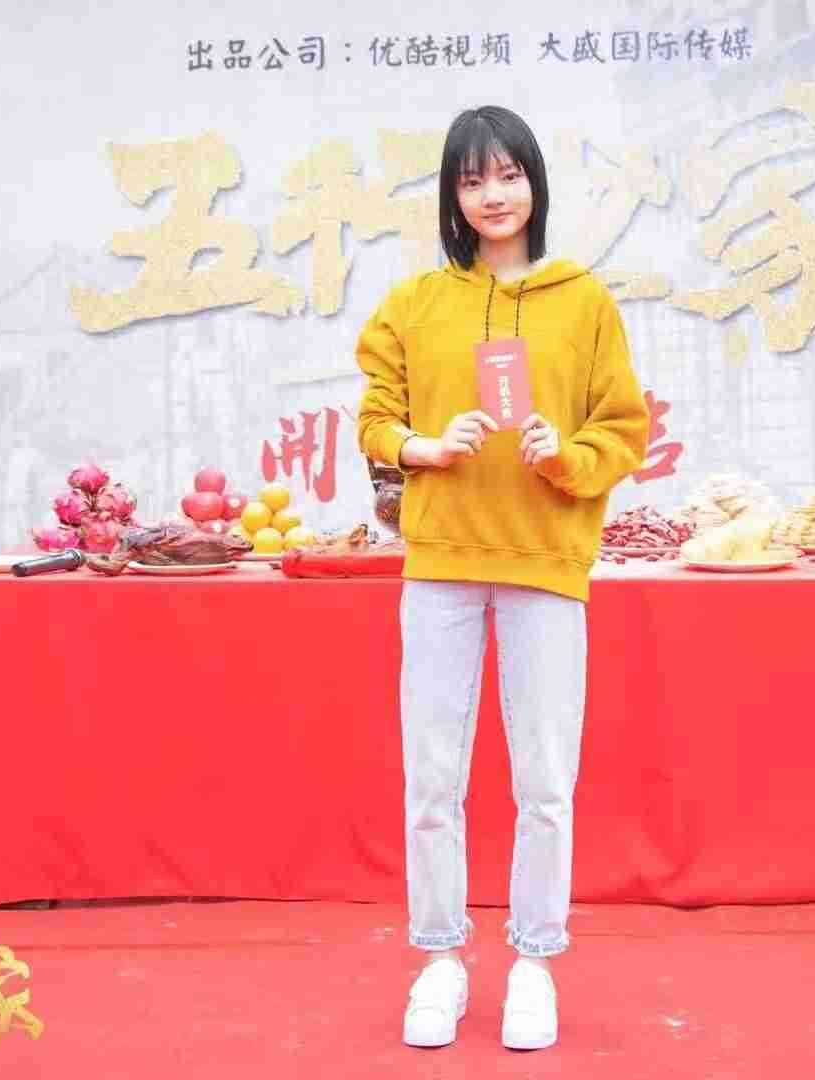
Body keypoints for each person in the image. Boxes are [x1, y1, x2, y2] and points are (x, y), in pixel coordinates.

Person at [355, 105, 650, 1051]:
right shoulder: (414, 303)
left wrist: (565, 455)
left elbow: (623, 428)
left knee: (545, 779)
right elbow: (375, 418)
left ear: (535, 184)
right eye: (473, 178)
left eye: (509, 174)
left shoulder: (583, 301)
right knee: (432, 778)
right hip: (441, 564)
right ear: (452, 195)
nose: (493, 195)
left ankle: (534, 962)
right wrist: (424, 446)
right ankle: (440, 959)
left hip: (546, 562)